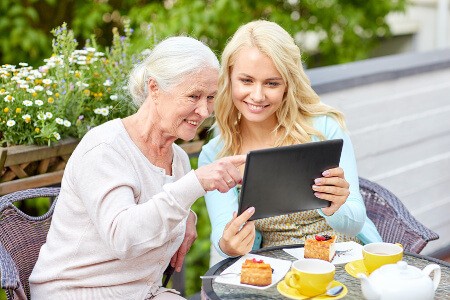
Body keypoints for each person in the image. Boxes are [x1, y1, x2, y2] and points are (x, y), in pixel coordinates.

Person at [29, 36, 246, 299]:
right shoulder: (105, 148)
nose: (204, 110)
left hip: (140, 292)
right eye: (193, 96)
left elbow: (161, 209)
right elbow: (125, 238)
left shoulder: (176, 158)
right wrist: (194, 185)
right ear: (154, 88)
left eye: (211, 97)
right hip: (76, 291)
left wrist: (187, 216)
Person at [198, 20, 382, 266]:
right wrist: (228, 244)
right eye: (247, 80)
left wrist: (336, 206)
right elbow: (225, 237)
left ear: (288, 85)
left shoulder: (323, 129)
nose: (257, 95)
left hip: (342, 256)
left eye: (272, 83)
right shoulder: (217, 154)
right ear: (229, 78)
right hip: (277, 267)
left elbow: (355, 221)